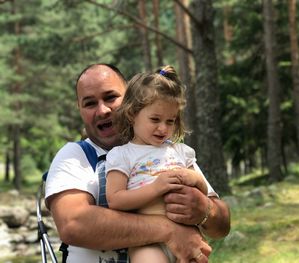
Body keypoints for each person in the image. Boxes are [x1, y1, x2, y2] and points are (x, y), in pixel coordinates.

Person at [45, 63, 231, 263]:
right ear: (80, 109)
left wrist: (205, 210)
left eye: (110, 97)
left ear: (131, 99)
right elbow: (73, 224)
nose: (103, 110)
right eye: (90, 103)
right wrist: (169, 231)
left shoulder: (171, 151)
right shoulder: (75, 155)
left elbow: (221, 225)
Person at [105, 65, 213, 263]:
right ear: (131, 114)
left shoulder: (180, 151)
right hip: (148, 242)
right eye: (155, 119)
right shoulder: (122, 155)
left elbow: (204, 191)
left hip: (189, 233)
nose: (163, 128)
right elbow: (115, 200)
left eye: (170, 121)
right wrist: (156, 187)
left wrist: (194, 178)